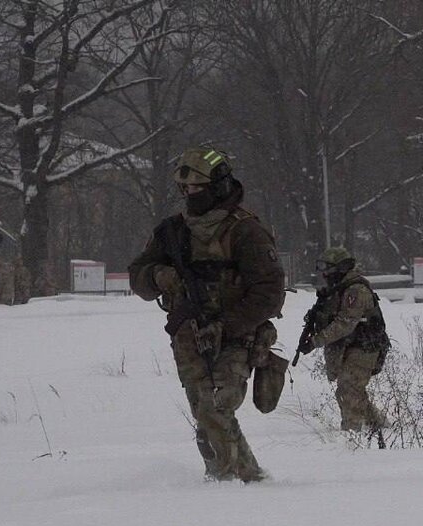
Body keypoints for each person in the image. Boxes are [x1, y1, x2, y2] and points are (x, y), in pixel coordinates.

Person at [128, 147, 285, 481]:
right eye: (184, 190)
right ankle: (235, 478)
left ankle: (233, 483)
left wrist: (226, 326)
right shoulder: (173, 231)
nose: (189, 195)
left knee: (218, 405)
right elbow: (138, 277)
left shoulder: (245, 231)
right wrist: (159, 276)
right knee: (205, 412)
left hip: (237, 335)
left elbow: (269, 293)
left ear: (218, 186)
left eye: (196, 189)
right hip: (189, 334)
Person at [300, 246, 389, 436]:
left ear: (340, 268)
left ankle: (351, 434)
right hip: (350, 346)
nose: (324, 273)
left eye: (328, 268)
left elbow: (345, 323)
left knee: (348, 388)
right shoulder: (337, 289)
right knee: (353, 389)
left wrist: (316, 341)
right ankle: (380, 426)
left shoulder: (356, 290)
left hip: (365, 346)